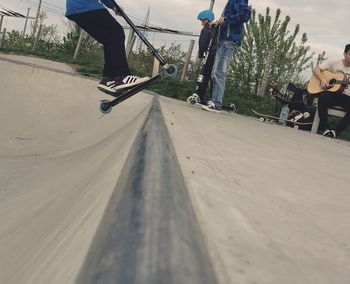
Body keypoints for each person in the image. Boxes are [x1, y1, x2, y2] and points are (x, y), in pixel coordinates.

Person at [65, 0, 149, 93]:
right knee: (116, 32)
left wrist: (113, 6)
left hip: (75, 9)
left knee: (109, 40)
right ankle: (123, 75)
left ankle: (108, 79)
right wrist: (113, 6)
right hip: (86, 6)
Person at [202, 0, 251, 113]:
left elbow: (245, 15)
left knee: (219, 72)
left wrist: (224, 20)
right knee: (216, 72)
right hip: (224, 41)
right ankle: (214, 101)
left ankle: (216, 103)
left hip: (229, 41)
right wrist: (217, 22)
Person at [312, 43, 350, 138]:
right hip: (334, 94)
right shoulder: (334, 63)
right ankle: (324, 128)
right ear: (344, 53)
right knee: (323, 97)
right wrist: (322, 79)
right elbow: (316, 69)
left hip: (348, 97)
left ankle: (335, 132)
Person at [194, 9, 216, 104]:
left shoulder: (205, 30)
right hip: (214, 56)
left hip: (207, 55)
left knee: (203, 75)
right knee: (210, 77)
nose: (201, 23)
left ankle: (199, 94)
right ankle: (211, 98)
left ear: (206, 20)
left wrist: (201, 54)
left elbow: (202, 44)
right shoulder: (215, 30)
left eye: (202, 21)